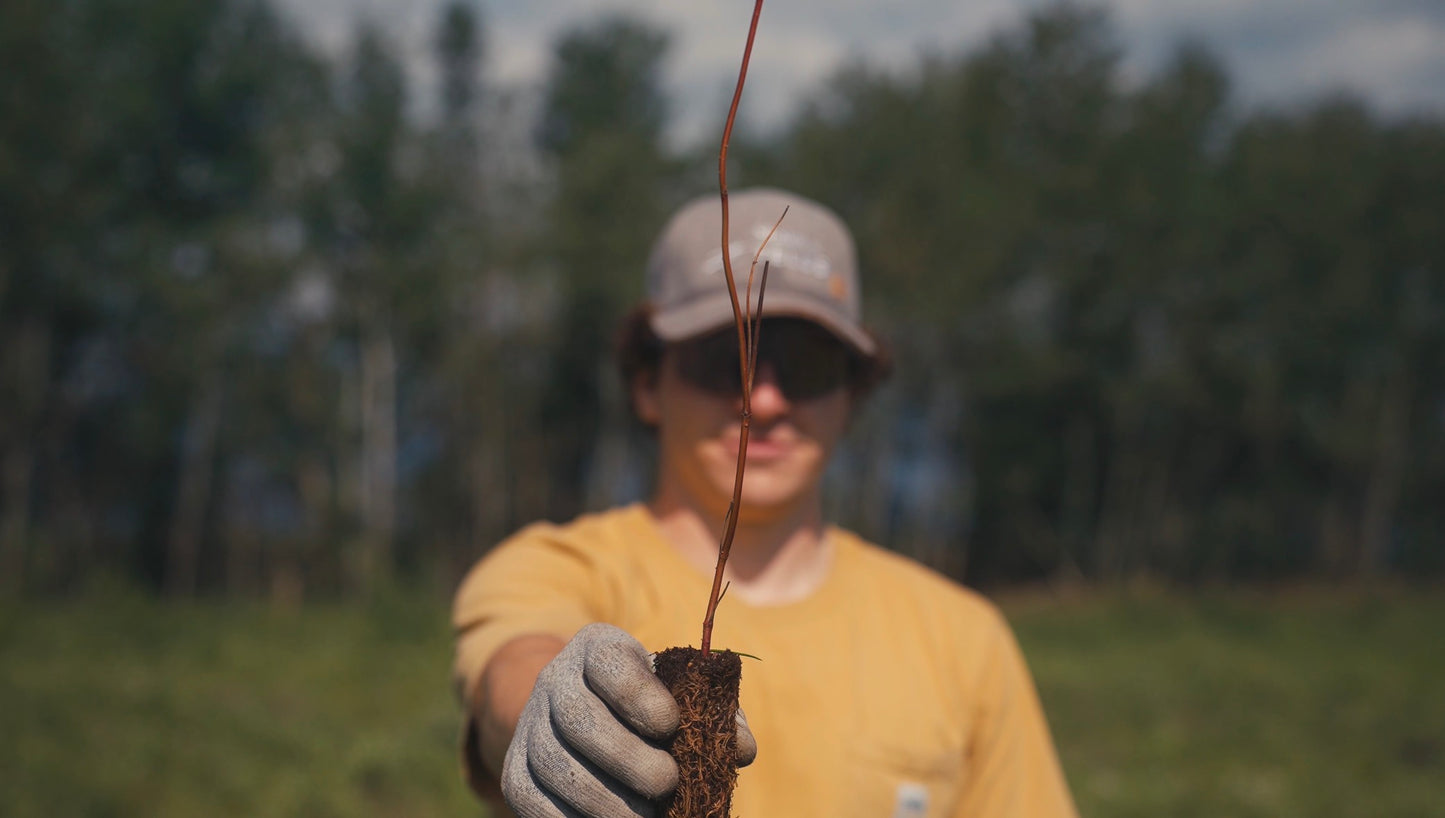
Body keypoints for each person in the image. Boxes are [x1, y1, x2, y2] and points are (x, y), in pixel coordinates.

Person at [452, 188, 1078, 818]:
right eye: (724, 360)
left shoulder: (963, 640)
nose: (766, 400)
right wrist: (553, 703)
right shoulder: (553, 566)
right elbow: (513, 664)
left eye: (807, 366)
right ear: (647, 386)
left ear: (852, 398)